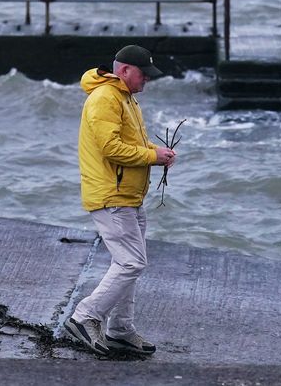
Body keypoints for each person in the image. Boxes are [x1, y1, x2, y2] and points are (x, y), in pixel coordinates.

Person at [63, 44, 177, 356]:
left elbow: (132, 143)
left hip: (128, 195)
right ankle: (85, 317)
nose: (147, 81)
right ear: (124, 70)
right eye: (144, 75)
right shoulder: (104, 99)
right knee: (131, 262)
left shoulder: (125, 98)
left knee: (128, 262)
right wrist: (153, 156)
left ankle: (121, 329)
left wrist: (157, 151)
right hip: (111, 196)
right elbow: (110, 149)